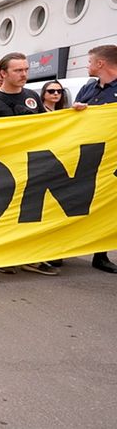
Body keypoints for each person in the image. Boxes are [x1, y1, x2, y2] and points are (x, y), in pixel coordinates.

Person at [0, 52, 56, 276]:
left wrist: (75, 114)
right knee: (1, 214)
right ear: (2, 74)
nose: (23, 74)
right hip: (1, 168)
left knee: (28, 213)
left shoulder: (32, 96)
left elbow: (49, 125)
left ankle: (27, 255)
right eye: (18, 70)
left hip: (30, 166)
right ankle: (0, 256)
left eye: (25, 70)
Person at [72, 44, 117, 273]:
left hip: (114, 161)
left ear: (101, 64)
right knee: (83, 201)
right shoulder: (88, 90)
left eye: (90, 62)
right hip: (89, 156)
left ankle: (101, 254)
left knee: (109, 208)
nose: (87, 66)